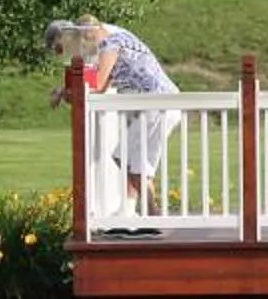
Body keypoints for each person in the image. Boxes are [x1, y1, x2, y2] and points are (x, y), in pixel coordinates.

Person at [47, 16, 181, 222]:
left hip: (157, 103)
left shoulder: (110, 44)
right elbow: (97, 89)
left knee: (125, 158)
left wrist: (64, 92)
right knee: (136, 162)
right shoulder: (115, 38)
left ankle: (154, 214)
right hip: (161, 103)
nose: (65, 52)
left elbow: (97, 85)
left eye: (59, 48)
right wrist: (67, 92)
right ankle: (136, 211)